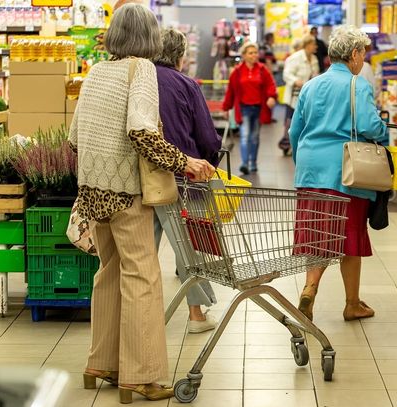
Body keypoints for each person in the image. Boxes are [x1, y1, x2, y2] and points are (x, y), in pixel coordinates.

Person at [69, 4, 215, 403]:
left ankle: (100, 363)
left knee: (109, 273)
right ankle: (141, 376)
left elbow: (74, 136)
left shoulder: (96, 72)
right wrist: (184, 161)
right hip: (127, 193)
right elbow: (142, 132)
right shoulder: (142, 71)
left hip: (93, 191)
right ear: (149, 37)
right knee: (143, 278)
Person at [289, 25, 388, 322]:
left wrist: (304, 162)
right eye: (363, 54)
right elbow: (371, 126)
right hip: (346, 171)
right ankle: (352, 303)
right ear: (354, 54)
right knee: (350, 237)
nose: (362, 61)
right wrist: (385, 135)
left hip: (311, 171)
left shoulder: (310, 85)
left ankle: (309, 288)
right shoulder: (357, 85)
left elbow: (295, 130)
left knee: (318, 234)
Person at [152, 28, 221, 334]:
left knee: (142, 252)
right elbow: (207, 137)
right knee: (189, 246)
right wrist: (209, 162)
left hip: (144, 178)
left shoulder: (140, 81)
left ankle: (139, 315)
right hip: (184, 177)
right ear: (181, 56)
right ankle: (196, 314)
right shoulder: (186, 85)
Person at [222, 42, 277, 175]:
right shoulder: (237, 72)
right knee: (245, 136)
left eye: (255, 52)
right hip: (243, 108)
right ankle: (244, 163)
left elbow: (271, 85)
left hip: (259, 108)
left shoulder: (263, 70)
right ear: (244, 55)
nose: (254, 55)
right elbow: (231, 91)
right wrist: (226, 107)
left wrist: (271, 96)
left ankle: (253, 162)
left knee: (255, 137)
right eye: (250, 53)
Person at [279, 34, 319, 155]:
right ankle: (286, 143)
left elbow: (316, 73)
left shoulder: (314, 59)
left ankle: (299, 144)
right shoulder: (295, 58)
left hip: (308, 94)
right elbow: (286, 74)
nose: (315, 47)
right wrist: (296, 81)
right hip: (294, 95)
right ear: (307, 45)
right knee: (290, 121)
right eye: (313, 44)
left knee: (304, 120)